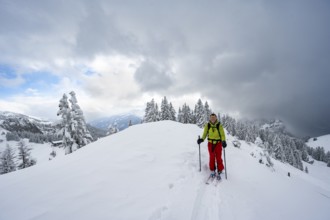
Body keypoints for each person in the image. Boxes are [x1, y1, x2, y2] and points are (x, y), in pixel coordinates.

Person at [197, 113, 227, 180]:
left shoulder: (219, 125)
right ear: (210, 118)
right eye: (211, 117)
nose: (213, 119)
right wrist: (202, 139)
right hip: (210, 144)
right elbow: (205, 134)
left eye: (214, 117)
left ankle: (220, 169)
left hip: (218, 143)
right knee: (212, 157)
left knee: (218, 157)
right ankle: (212, 169)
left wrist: (223, 141)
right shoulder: (207, 125)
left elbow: (222, 134)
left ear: (216, 118)